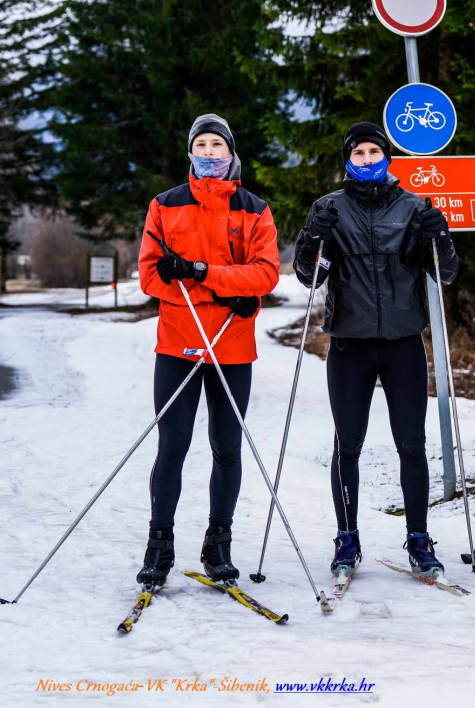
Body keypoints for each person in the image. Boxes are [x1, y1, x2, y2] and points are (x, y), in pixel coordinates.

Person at [293, 121, 458, 578]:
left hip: (404, 343)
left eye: (374, 152)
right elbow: (311, 277)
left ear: (386, 157)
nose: (367, 160)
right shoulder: (328, 208)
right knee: (348, 445)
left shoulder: (413, 206)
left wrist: (438, 234)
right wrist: (311, 240)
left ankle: (420, 540)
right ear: (348, 160)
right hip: (349, 345)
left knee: (412, 445)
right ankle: (347, 539)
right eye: (359, 154)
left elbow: (445, 273)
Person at [136, 113, 280, 586]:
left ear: (231, 152)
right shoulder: (164, 205)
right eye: (202, 143)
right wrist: (219, 288)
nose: (210, 151)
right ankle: (160, 545)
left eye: (218, 144)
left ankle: (218, 544)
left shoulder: (254, 208)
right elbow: (152, 276)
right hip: (179, 342)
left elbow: (265, 274)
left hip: (232, 348)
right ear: (191, 152)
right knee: (172, 446)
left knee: (226, 446)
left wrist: (202, 272)